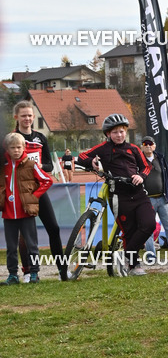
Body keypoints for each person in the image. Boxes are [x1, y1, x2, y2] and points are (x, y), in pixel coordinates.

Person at [77, 114, 155, 275]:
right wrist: (90, 162)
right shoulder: (102, 149)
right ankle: (134, 265)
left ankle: (125, 256)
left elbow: (147, 166)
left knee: (149, 224)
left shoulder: (133, 149)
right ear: (107, 134)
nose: (119, 135)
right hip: (119, 196)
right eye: (115, 132)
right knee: (129, 231)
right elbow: (82, 156)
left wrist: (141, 176)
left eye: (121, 131)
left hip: (139, 194)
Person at [12, 100, 69, 280]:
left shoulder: (40, 138)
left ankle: (62, 269)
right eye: (23, 116)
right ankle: (28, 272)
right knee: (25, 234)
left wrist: (35, 166)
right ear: (16, 117)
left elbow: (50, 166)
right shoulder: (11, 138)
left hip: (39, 189)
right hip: (21, 192)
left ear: (33, 117)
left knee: (54, 227)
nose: (27, 118)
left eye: (29, 115)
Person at [1, 132, 53, 284]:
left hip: (26, 213)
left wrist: (34, 196)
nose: (16, 150)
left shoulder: (31, 164)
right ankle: (12, 275)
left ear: (24, 147)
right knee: (10, 247)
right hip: (8, 214)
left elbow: (46, 180)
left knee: (32, 245)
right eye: (12, 148)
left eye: (19, 147)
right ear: (7, 149)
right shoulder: (3, 166)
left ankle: (35, 273)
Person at [140, 136, 168, 265]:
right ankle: (150, 256)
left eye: (150, 143)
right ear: (141, 146)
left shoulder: (161, 158)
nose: (148, 146)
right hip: (147, 201)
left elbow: (167, 178)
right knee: (148, 229)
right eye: (145, 143)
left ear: (154, 146)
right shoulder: (138, 160)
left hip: (163, 199)